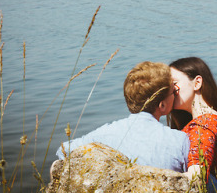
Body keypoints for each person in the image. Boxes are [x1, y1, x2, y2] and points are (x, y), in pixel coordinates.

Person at [55, 61, 189, 173]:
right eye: (174, 92)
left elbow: (63, 151)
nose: (176, 94)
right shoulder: (178, 141)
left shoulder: (103, 134)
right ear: (162, 105)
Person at [169, 57, 217, 193]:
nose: (169, 90)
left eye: (174, 83)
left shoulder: (201, 127)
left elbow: (196, 178)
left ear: (197, 83)